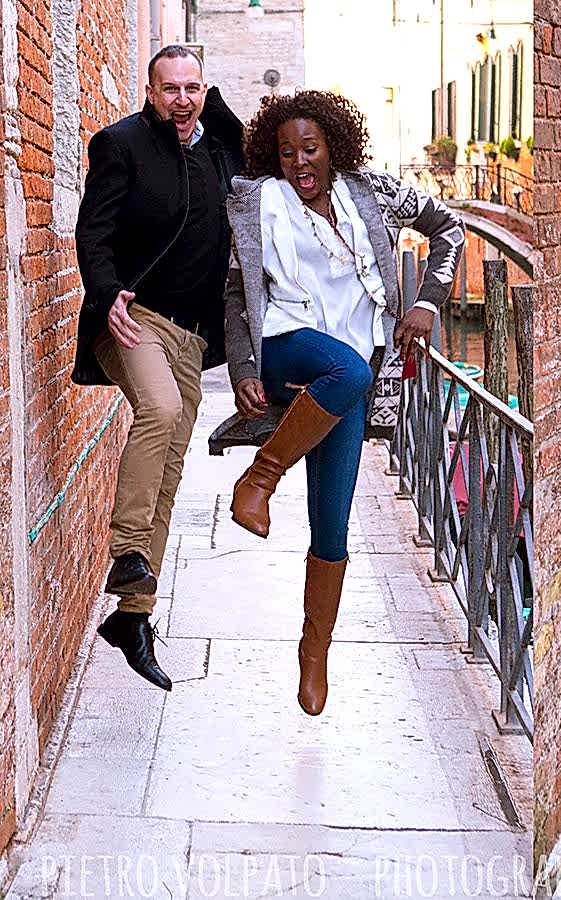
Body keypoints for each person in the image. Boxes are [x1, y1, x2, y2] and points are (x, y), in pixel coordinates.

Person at [222, 90, 464, 716]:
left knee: (333, 520)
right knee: (348, 366)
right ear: (273, 158)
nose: (300, 162)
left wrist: (427, 301)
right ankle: (261, 478)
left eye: (311, 148)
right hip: (285, 343)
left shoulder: (372, 193)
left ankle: (314, 650)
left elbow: (449, 229)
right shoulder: (258, 203)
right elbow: (234, 292)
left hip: (351, 375)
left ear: (333, 145)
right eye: (287, 153)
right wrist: (245, 368)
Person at [73, 46, 245, 690]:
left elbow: (247, 141)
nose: (181, 99)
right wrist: (107, 288)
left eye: (192, 88)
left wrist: (215, 105)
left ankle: (132, 617)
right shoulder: (120, 145)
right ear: (149, 91)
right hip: (134, 316)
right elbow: (94, 231)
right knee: (163, 410)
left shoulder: (218, 150)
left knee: (171, 467)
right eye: (169, 88)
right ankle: (125, 552)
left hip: (193, 337)